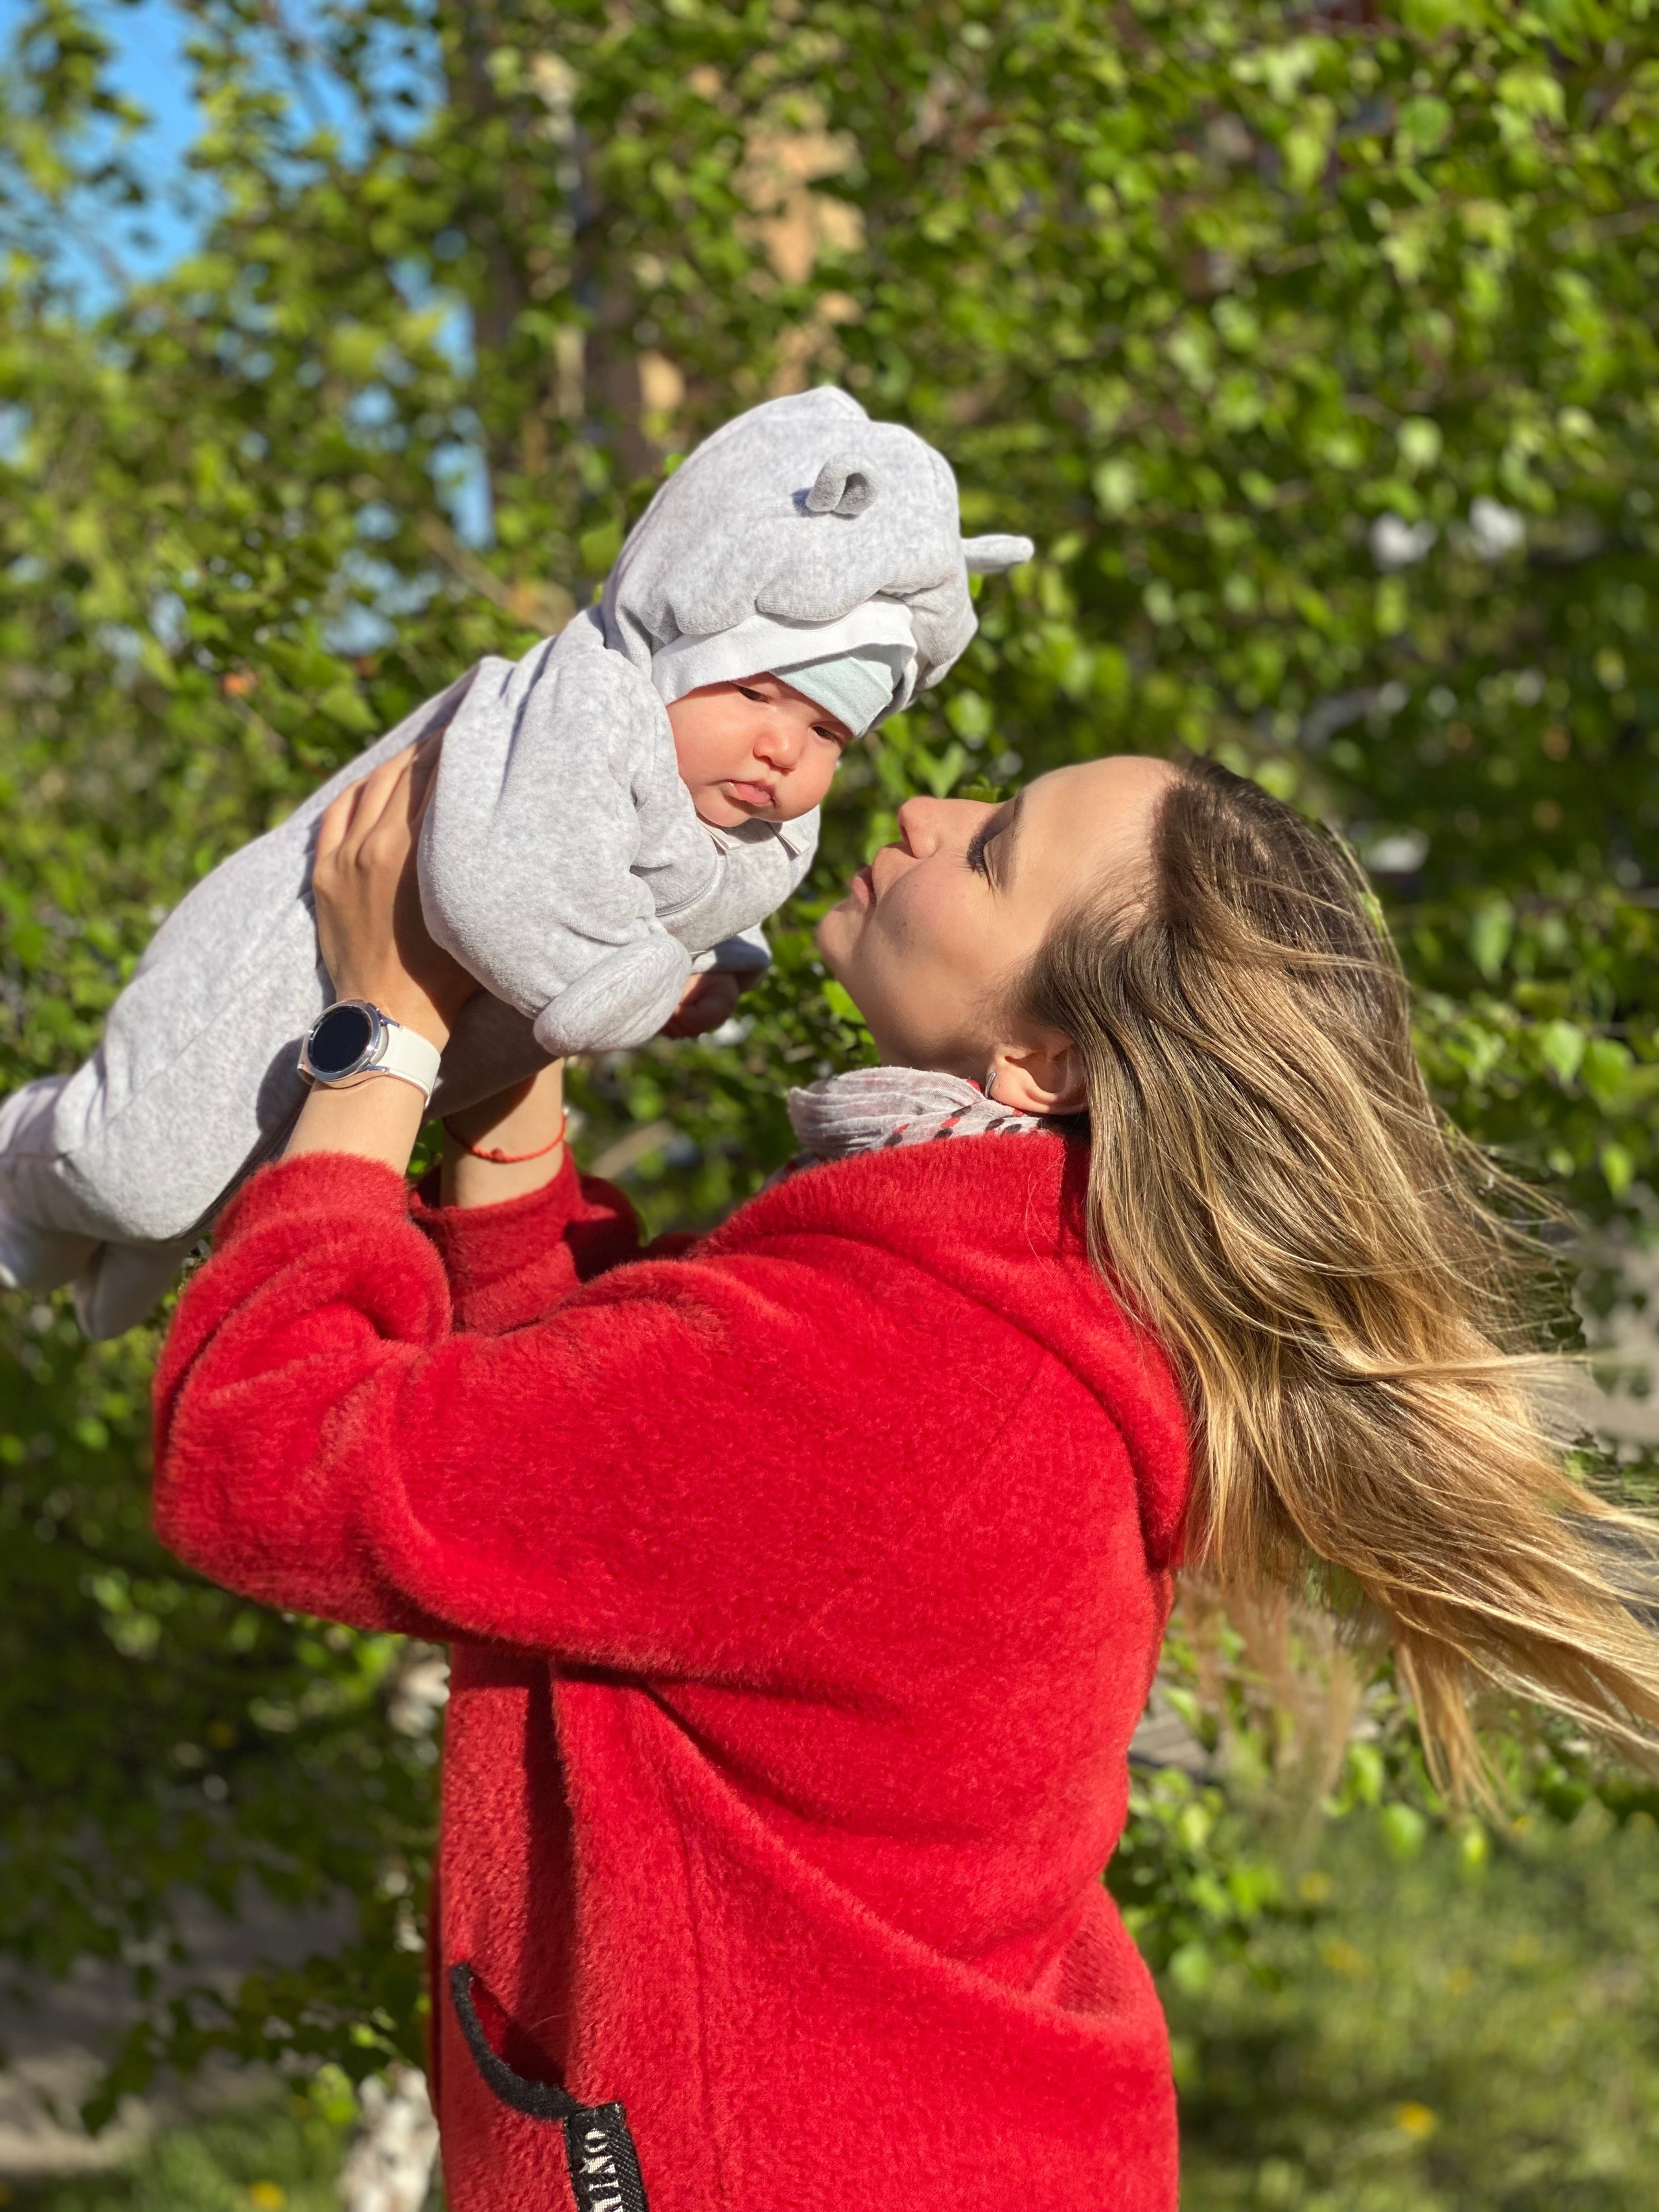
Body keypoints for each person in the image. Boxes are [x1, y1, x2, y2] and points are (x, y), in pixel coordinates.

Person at [152, 743, 1659, 2212]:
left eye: (992, 851)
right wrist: (510, 1069)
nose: (928, 810)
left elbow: (263, 1454)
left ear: (1041, 1062)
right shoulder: (1013, 1292)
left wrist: (382, 1032)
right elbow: (592, 1465)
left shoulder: (908, 1365)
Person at [0, 385, 1031, 1338]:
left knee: (227, 1189)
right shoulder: (589, 704)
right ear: (685, 647)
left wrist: (717, 962)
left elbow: (707, 892)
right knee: (133, 1167)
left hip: (389, 1044)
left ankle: (109, 1245)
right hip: (283, 963)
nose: (782, 748)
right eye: (757, 693)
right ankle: (27, 1161)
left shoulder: (747, 804)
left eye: (828, 732)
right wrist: (628, 980)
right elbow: (488, 895)